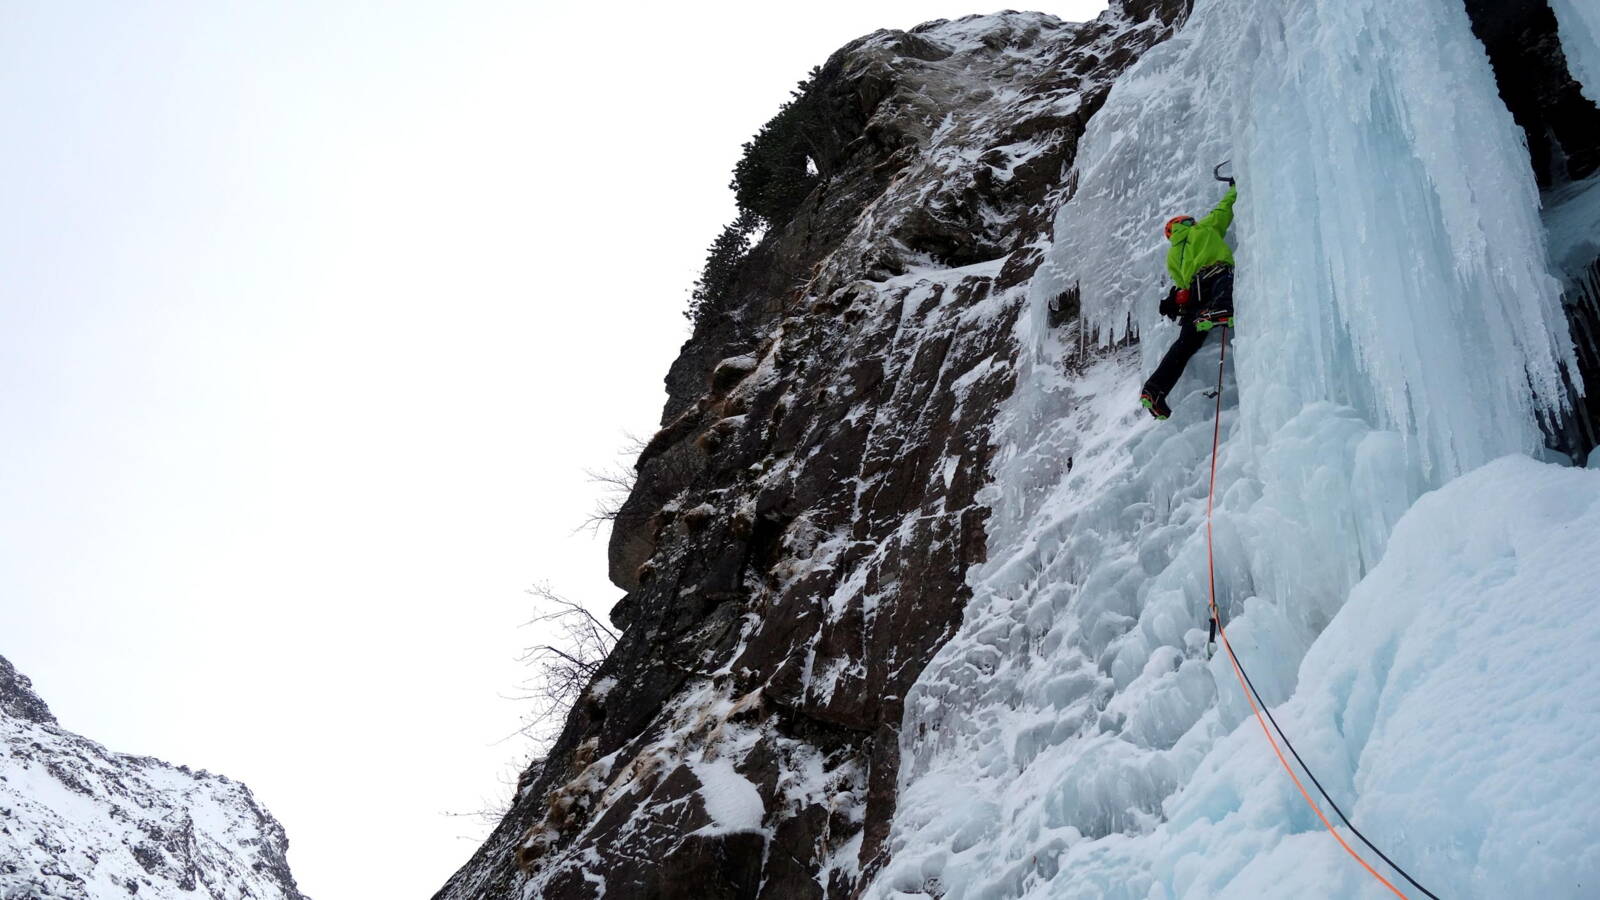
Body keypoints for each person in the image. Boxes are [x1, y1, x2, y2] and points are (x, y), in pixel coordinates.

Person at [1140, 178, 1237, 420]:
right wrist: (1235, 187)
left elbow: (1181, 286)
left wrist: (1180, 303)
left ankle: (1154, 390)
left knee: (1183, 347)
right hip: (1215, 276)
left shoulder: (1173, 255)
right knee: (1224, 282)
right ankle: (1221, 310)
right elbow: (1225, 209)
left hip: (1195, 294)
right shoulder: (1203, 228)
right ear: (1188, 222)